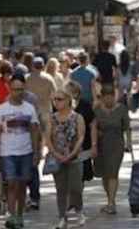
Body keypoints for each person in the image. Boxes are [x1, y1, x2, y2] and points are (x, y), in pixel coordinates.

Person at [0, 74, 41, 229]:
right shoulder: (1, 109)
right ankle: (12, 216)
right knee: (12, 183)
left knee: (21, 185)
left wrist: (37, 152)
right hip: (8, 153)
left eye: (20, 89)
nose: (17, 92)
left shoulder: (29, 108)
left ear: (24, 89)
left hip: (26, 152)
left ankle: (19, 215)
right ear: (9, 89)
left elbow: (34, 131)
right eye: (14, 89)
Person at [46, 88, 86, 229]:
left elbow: (81, 137)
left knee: (76, 187)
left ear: (68, 100)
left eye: (60, 99)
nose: (56, 102)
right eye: (54, 99)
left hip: (74, 157)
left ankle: (79, 210)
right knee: (61, 189)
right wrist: (56, 154)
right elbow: (48, 138)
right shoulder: (52, 118)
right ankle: (62, 217)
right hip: (57, 157)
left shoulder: (77, 117)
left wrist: (71, 154)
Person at [92, 85, 131, 215]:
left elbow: (127, 127)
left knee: (113, 172)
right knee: (104, 174)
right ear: (102, 98)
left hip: (116, 143)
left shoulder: (121, 109)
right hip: (102, 144)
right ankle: (110, 199)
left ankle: (111, 203)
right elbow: (93, 126)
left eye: (111, 97)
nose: (109, 100)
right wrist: (94, 143)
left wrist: (129, 143)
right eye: (106, 98)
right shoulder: (97, 110)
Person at [65, 81, 96, 183]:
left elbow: (93, 125)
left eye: (72, 92)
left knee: (81, 176)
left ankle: (77, 196)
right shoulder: (61, 105)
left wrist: (94, 145)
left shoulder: (85, 105)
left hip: (84, 145)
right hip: (66, 146)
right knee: (68, 176)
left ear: (77, 93)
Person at [25, 57, 57, 132]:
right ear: (43, 66)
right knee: (45, 135)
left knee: (31, 134)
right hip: (45, 111)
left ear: (32, 66)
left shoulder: (26, 78)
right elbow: (55, 95)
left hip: (30, 111)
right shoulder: (49, 78)